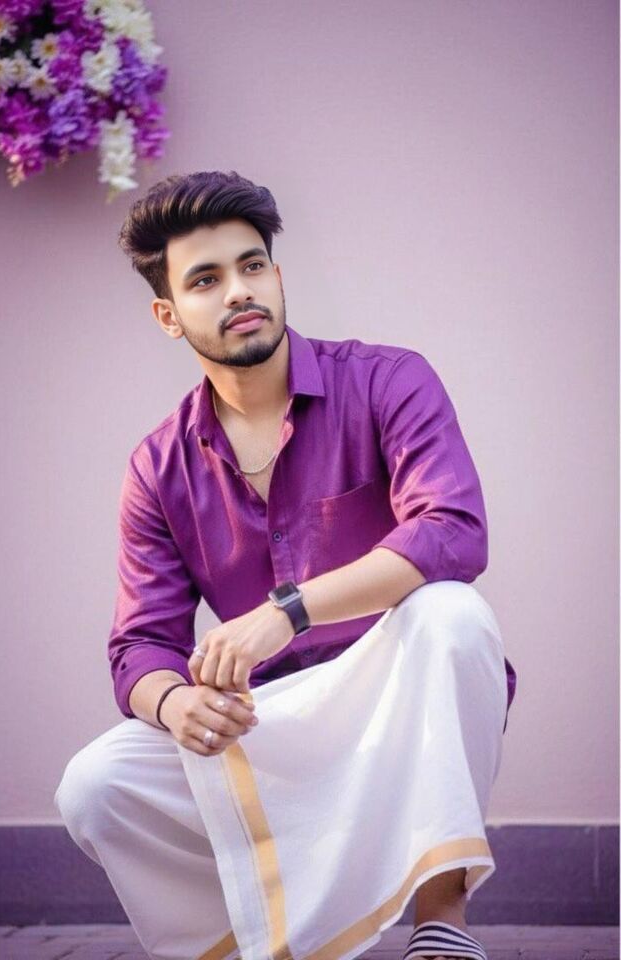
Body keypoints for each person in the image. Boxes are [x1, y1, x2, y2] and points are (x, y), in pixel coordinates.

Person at [54, 170, 517, 960]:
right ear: (168, 314)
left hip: (395, 699)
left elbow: (453, 530)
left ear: (277, 275)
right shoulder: (158, 468)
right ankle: (246, 945)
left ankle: (442, 921)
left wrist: (287, 611)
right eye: (206, 279)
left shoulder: (386, 381)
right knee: (95, 784)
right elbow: (141, 645)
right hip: (265, 727)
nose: (239, 290)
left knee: (454, 614)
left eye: (252, 266)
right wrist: (175, 703)